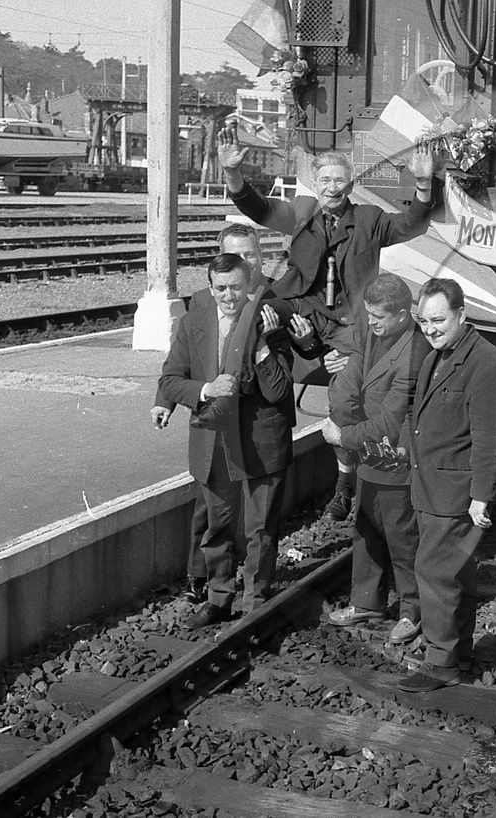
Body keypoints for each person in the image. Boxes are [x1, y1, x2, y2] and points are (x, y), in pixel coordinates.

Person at [217, 129, 439, 525]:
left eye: (339, 180)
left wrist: (423, 183)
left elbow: (411, 223)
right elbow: (258, 208)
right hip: (303, 307)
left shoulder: (369, 220)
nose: (332, 187)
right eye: (325, 181)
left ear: (350, 184)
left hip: (352, 326)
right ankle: (237, 394)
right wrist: (234, 174)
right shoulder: (301, 214)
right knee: (255, 312)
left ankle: (343, 487)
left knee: (343, 402)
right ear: (314, 186)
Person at [155, 253, 297, 628]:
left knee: (260, 529)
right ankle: (218, 599)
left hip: (260, 442)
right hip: (215, 443)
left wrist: (264, 346)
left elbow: (279, 389)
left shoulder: (269, 321)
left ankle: (255, 603)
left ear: (248, 285)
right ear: (210, 288)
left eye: (235, 287)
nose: (229, 296)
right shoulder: (193, 323)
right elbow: (170, 378)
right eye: (220, 288)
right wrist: (205, 389)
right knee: (217, 528)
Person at [399, 278, 496, 693]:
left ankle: (440, 662)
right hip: (433, 486)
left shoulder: (486, 363)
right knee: (456, 577)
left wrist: (482, 495)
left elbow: (493, 437)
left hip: (456, 493)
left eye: (438, 320)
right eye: (424, 321)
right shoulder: (439, 355)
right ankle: (456, 653)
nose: (430, 328)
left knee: (435, 574)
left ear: (462, 315)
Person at [317, 274, 431, 644]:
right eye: (368, 314)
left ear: (402, 314)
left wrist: (342, 435)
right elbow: (351, 380)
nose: (373, 322)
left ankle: (413, 610)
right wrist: (343, 418)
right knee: (366, 529)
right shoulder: (373, 331)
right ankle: (367, 601)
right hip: (369, 453)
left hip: (398, 457)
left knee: (402, 536)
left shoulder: (415, 352)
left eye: (379, 316)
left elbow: (392, 419)